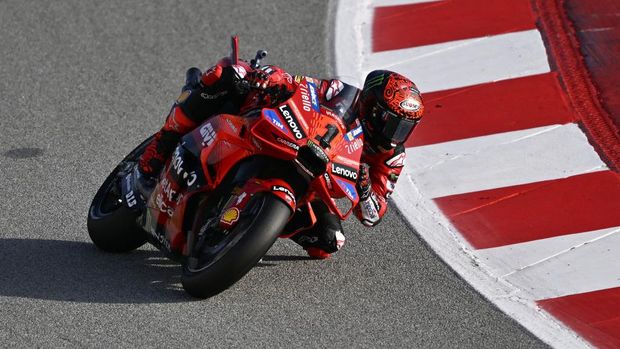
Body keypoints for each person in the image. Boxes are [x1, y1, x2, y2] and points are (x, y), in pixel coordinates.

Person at [137, 60, 424, 259]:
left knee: (329, 242)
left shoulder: (392, 157)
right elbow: (304, 85)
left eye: (405, 128)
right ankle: (161, 147)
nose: (396, 134)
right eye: (392, 123)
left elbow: (373, 214)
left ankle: (251, 228)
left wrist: (363, 191)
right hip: (288, 137)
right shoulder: (342, 95)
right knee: (227, 76)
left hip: (317, 180)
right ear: (373, 107)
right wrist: (273, 78)